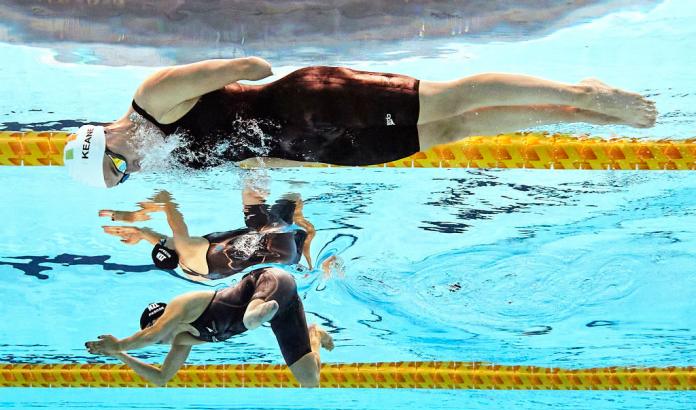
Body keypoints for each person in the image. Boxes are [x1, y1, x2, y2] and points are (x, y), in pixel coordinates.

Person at [62, 57, 657, 187]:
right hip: (319, 145)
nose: (132, 165)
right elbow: (249, 157)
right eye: (124, 175)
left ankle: (584, 92)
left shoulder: (150, 100)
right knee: (448, 131)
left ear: (103, 138)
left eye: (117, 160)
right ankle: (569, 112)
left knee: (446, 99)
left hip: (315, 103)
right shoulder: (166, 157)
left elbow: (247, 67)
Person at [84, 267, 334, 387]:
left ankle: (261, 312)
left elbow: (153, 334)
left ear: (161, 320)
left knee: (250, 320)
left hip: (269, 281)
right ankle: (314, 334)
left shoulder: (182, 306)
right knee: (309, 381)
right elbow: (161, 378)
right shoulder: (183, 339)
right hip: (285, 308)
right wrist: (120, 354)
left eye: (158, 332)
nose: (162, 340)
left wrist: (119, 343)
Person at [100, 188, 316, 281]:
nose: (167, 240)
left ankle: (302, 232)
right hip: (271, 236)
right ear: (175, 248)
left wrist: (143, 233)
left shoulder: (188, 267)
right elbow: (166, 200)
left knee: (289, 202)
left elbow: (167, 244)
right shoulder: (184, 246)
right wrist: (136, 216)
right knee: (252, 195)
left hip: (287, 256)